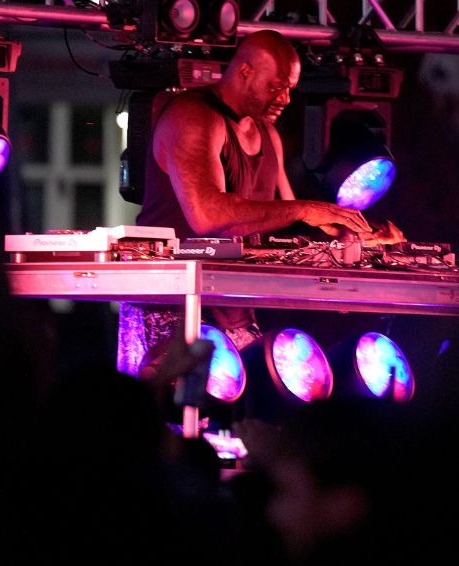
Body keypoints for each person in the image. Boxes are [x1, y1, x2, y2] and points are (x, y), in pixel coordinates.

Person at [117, 29, 396, 377]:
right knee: (171, 424)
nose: (285, 99)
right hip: (171, 309)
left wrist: (358, 241)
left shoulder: (268, 135)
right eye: (276, 86)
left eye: (290, 89)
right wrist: (305, 210)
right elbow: (208, 216)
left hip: (233, 308)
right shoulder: (193, 116)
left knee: (246, 421)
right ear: (244, 71)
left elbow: (288, 228)